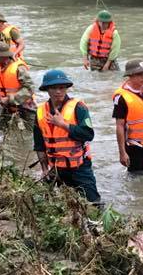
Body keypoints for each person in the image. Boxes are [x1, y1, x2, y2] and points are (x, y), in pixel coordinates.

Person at [33, 69, 101, 204]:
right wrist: (45, 169)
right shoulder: (40, 111)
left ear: (66, 88)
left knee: (94, 203)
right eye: (54, 88)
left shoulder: (79, 107)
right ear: (47, 89)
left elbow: (88, 134)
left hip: (80, 166)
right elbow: (39, 144)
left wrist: (64, 125)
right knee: (67, 203)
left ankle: (96, 224)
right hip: (57, 167)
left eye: (62, 87)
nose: (58, 91)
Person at [0, 40, 35, 124]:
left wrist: (9, 99)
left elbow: (29, 88)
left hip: (24, 108)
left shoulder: (19, 68)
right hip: (5, 108)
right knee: (2, 130)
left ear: (3, 57)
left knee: (30, 133)